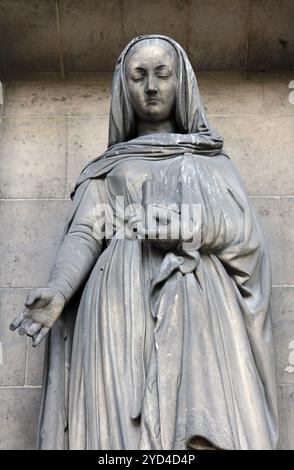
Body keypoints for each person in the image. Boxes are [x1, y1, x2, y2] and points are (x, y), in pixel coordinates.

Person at [10, 35, 278, 450]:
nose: (151, 87)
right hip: (117, 306)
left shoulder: (210, 161)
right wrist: (60, 290)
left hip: (198, 307)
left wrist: (183, 227)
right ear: (124, 88)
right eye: (138, 76)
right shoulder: (109, 167)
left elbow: (245, 239)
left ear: (181, 82)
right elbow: (85, 232)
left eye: (161, 74)